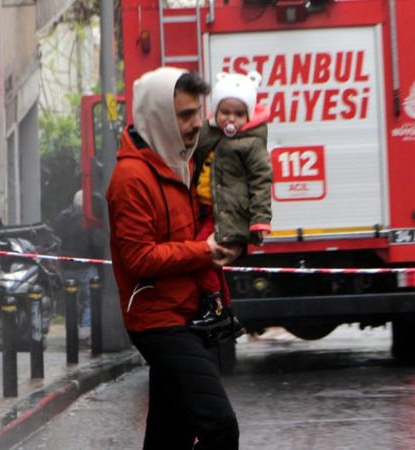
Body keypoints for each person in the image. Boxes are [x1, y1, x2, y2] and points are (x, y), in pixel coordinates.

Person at [106, 67, 242, 449]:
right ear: (158, 117)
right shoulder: (131, 178)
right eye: (185, 115)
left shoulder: (181, 161)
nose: (197, 123)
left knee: (171, 437)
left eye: (197, 112)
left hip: (188, 313)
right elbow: (138, 259)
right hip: (157, 321)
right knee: (220, 427)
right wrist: (204, 252)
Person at [190, 71, 272, 337]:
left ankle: (214, 309)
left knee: (201, 257)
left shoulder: (251, 144)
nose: (231, 119)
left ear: (248, 115)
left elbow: (261, 182)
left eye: (238, 113)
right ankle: (224, 312)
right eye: (225, 111)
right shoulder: (208, 134)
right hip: (204, 210)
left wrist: (260, 220)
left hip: (228, 215)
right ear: (216, 110)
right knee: (214, 263)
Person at [53, 190, 106, 341]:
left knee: (71, 300)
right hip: (85, 265)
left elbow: (57, 238)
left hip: (66, 266)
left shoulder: (62, 217)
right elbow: (96, 243)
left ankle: (71, 331)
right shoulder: (88, 220)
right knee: (90, 299)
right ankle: (85, 329)